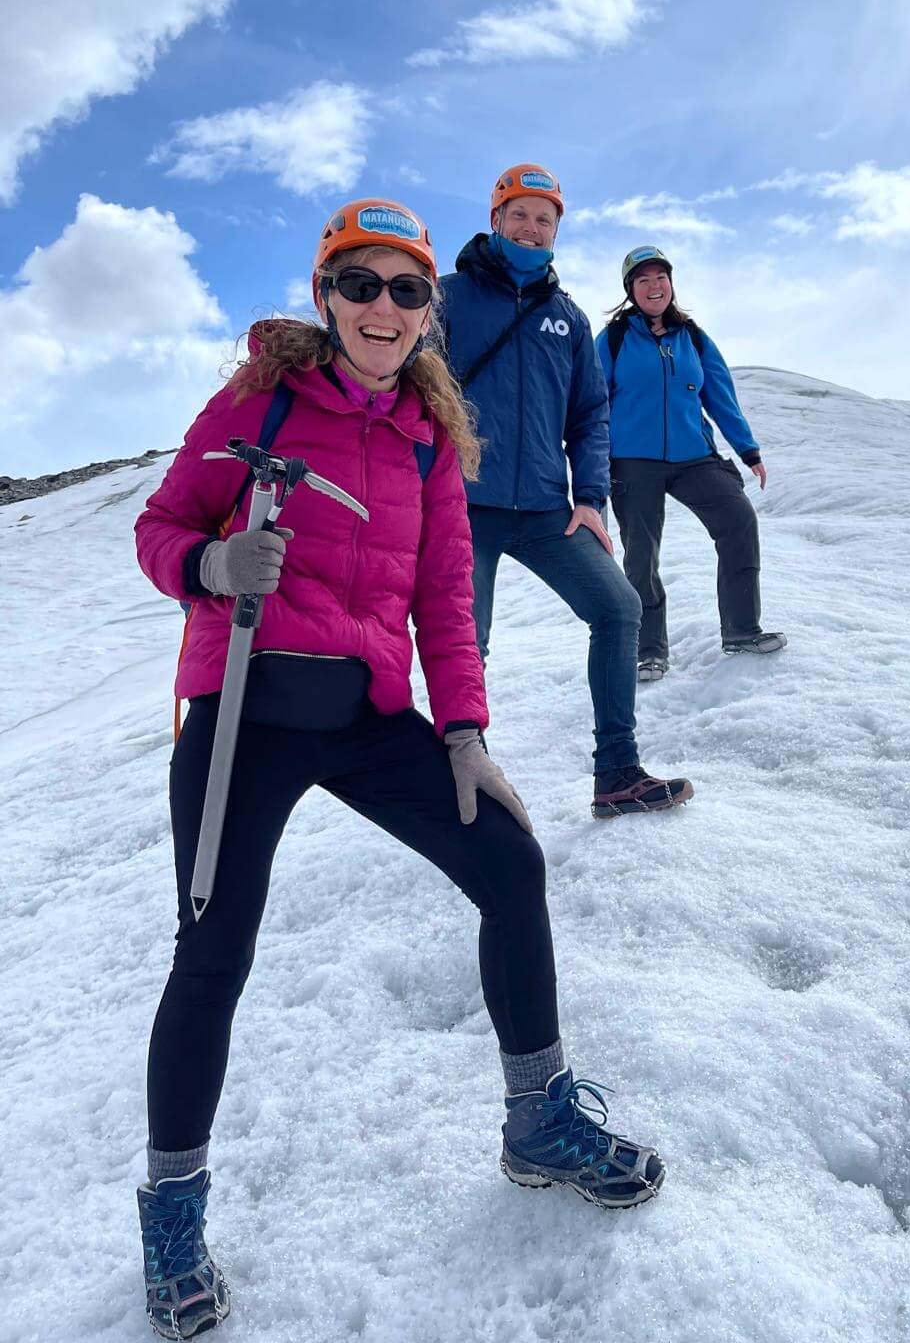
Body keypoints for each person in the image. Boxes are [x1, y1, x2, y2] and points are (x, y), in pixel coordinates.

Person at [132, 199, 665, 1341]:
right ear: (326, 297)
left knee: (511, 864)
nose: (384, 308)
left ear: (429, 311)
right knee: (213, 951)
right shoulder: (258, 401)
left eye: (406, 290)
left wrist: (465, 730)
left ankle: (537, 1120)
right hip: (244, 711)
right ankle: (173, 1208)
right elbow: (161, 526)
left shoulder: (431, 438)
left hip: (367, 713)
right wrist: (214, 563)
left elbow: (441, 600)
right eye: (361, 284)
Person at [439, 164, 693, 819]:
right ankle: (467, 783)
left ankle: (617, 773)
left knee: (617, 607)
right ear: (495, 220)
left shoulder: (568, 318)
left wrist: (591, 497)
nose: (531, 227)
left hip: (549, 507)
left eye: (544, 218)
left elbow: (590, 415)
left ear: (557, 231)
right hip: (461, 504)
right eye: (519, 214)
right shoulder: (444, 298)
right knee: (467, 639)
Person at [596, 245, 786, 681]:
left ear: (671, 283)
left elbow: (719, 394)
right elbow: (593, 400)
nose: (653, 286)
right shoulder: (615, 339)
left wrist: (747, 450)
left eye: (659, 277)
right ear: (630, 290)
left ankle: (741, 630)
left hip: (694, 457)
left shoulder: (693, 337)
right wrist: (593, 461)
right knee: (641, 555)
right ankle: (648, 651)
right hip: (632, 460)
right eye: (642, 280)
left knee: (739, 521)